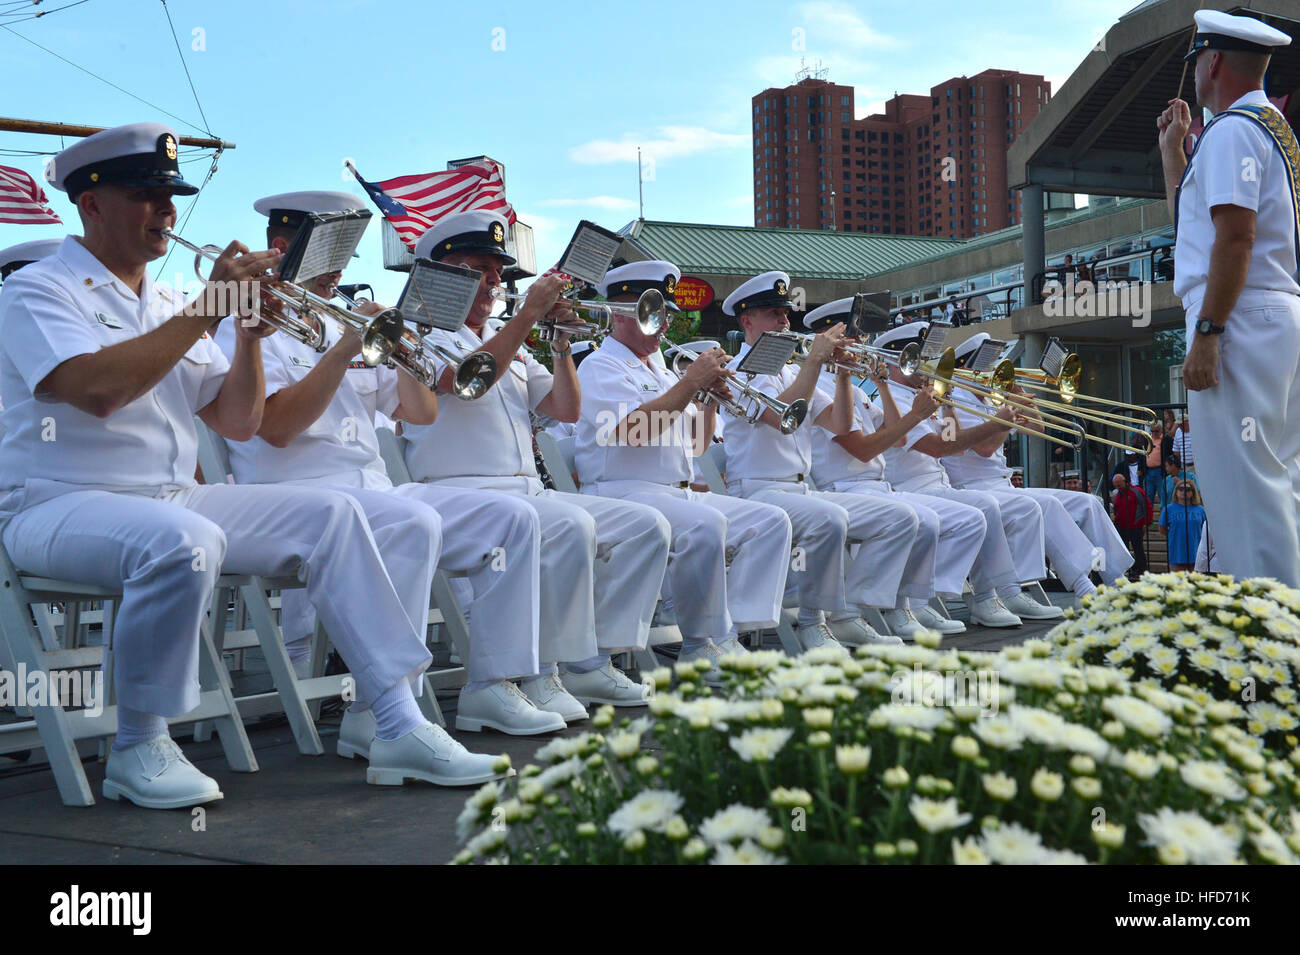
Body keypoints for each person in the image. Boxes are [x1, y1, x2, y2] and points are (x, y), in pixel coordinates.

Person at [0, 123, 509, 809]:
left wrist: (247, 337)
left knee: (334, 514)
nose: (168, 213)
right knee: (181, 542)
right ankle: (138, 743)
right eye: (146, 195)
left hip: (172, 495)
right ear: (89, 205)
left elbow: (238, 420)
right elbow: (95, 391)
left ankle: (394, 718)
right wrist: (210, 308)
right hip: (59, 502)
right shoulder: (38, 290)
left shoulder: (164, 304)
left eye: (171, 196)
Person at [213, 191, 556, 742]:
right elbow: (276, 429)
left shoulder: (335, 322)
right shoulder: (254, 324)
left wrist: (403, 346)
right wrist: (346, 345)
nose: (342, 269)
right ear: (281, 248)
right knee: (409, 523)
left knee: (510, 521)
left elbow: (418, 412)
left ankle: (493, 684)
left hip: (372, 488)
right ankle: (379, 710)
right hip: (291, 493)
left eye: (345, 252)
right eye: (330, 250)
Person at [402, 210, 670, 712]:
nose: (494, 281)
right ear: (445, 269)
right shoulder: (425, 334)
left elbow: (565, 409)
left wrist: (560, 341)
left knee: (645, 526)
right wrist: (526, 317)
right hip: (459, 491)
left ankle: (582, 663)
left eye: (498, 271)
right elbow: (468, 378)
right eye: (482, 268)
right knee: (562, 523)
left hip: (527, 493)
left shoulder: (515, 348)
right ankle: (499, 681)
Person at [573, 260, 795, 673]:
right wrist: (691, 384)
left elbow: (695, 446)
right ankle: (701, 643)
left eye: (667, 315)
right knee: (705, 525)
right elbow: (634, 432)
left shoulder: (659, 369)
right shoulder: (600, 366)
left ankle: (728, 633)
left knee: (771, 522)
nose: (664, 326)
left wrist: (709, 400)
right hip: (623, 490)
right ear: (622, 311)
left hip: (675, 493)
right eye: (655, 314)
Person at [1158, 9, 1300, 586]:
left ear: (1211, 62)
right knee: (1277, 486)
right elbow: (1196, 230)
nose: (1193, 73)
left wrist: (1208, 333)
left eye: (1196, 61)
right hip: (1270, 314)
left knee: (1246, 502)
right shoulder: (1269, 128)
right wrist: (1174, 154)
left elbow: (1235, 237)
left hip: (1239, 318)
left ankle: (1269, 656)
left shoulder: (1233, 130)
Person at [717, 270, 921, 650]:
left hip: (799, 491)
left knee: (900, 518)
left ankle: (850, 612)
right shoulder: (740, 371)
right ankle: (813, 623)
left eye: (785, 313)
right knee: (830, 518)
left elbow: (839, 423)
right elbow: (781, 418)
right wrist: (815, 363)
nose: (784, 320)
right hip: (758, 490)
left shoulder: (793, 370)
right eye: (773, 313)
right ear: (747, 320)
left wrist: (843, 373)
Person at [803, 298, 981, 638]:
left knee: (928, 520)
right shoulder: (822, 387)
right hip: (843, 488)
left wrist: (882, 385)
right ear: (830, 338)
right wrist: (916, 415)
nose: (863, 345)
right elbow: (862, 449)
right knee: (920, 519)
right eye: (854, 337)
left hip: (874, 488)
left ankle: (904, 605)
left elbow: (896, 439)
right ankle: (855, 612)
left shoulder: (857, 387)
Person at [874, 322, 1055, 627]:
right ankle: (942, 598)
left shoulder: (925, 399)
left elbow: (953, 446)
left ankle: (997, 594)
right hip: (910, 488)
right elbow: (939, 448)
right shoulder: (892, 399)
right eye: (919, 358)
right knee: (983, 507)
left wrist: (946, 406)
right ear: (897, 361)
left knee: (998, 507)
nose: (928, 365)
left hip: (937, 486)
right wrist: (997, 424)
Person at [944, 333, 1133, 589]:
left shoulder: (992, 398)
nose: (994, 369)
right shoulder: (956, 401)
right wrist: (1007, 418)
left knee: (1089, 503)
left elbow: (1037, 427)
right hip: (974, 488)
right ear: (966, 368)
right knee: (1047, 506)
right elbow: (984, 448)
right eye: (989, 363)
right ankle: (1082, 585)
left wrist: (1018, 393)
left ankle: (1114, 577)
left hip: (1003, 488)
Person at [1109, 472, 1152, 579]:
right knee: (1124, 551)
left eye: (1119, 484)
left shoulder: (1137, 491)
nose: (1118, 486)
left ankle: (1142, 571)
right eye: (1116, 485)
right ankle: (1129, 570)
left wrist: (1146, 523)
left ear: (1124, 481)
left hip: (1136, 526)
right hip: (1121, 527)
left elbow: (1148, 506)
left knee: (1138, 550)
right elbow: (1116, 511)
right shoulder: (1117, 495)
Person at [1160, 480, 1206, 571]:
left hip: (1196, 550)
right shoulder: (1168, 509)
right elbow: (1162, 528)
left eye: (1188, 489)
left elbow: (1205, 529)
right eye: (1181, 489)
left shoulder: (1201, 510)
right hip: (1176, 550)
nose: (1184, 492)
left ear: (1193, 492)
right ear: (1176, 491)